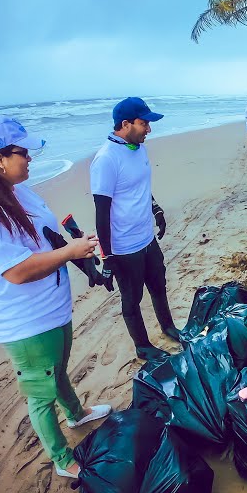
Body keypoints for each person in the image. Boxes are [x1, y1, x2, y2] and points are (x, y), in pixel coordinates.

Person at [0, 115, 112, 480]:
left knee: (58, 369)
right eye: (22, 153)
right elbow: (17, 271)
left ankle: (77, 414)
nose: (29, 159)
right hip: (25, 321)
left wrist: (80, 246)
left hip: (52, 309)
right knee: (40, 394)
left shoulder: (18, 191)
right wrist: (69, 253)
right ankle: (62, 460)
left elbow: (47, 234)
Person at [91, 97, 183, 362]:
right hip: (124, 247)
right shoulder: (106, 160)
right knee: (132, 299)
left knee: (158, 284)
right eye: (144, 124)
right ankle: (142, 346)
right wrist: (107, 257)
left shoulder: (137, 148)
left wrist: (156, 210)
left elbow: (140, 186)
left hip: (147, 238)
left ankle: (168, 327)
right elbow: (101, 211)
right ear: (125, 124)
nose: (149, 130)